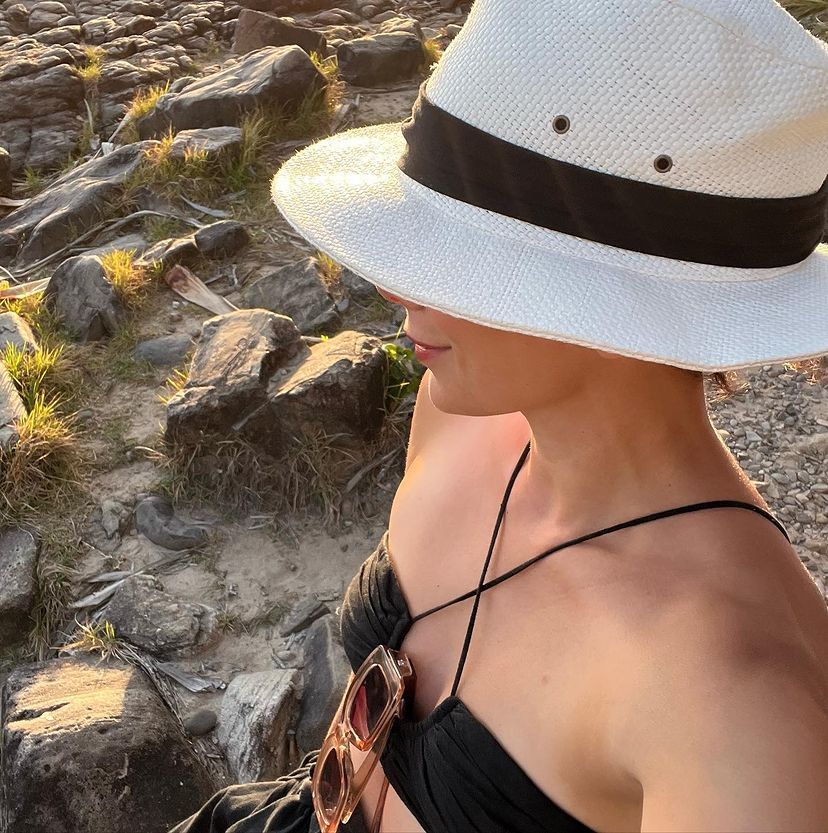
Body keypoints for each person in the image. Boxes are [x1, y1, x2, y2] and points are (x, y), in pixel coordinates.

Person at [168, 0, 828, 831]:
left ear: (623, 297)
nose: (394, 288)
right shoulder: (466, 418)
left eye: (468, 259)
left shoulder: (739, 710)